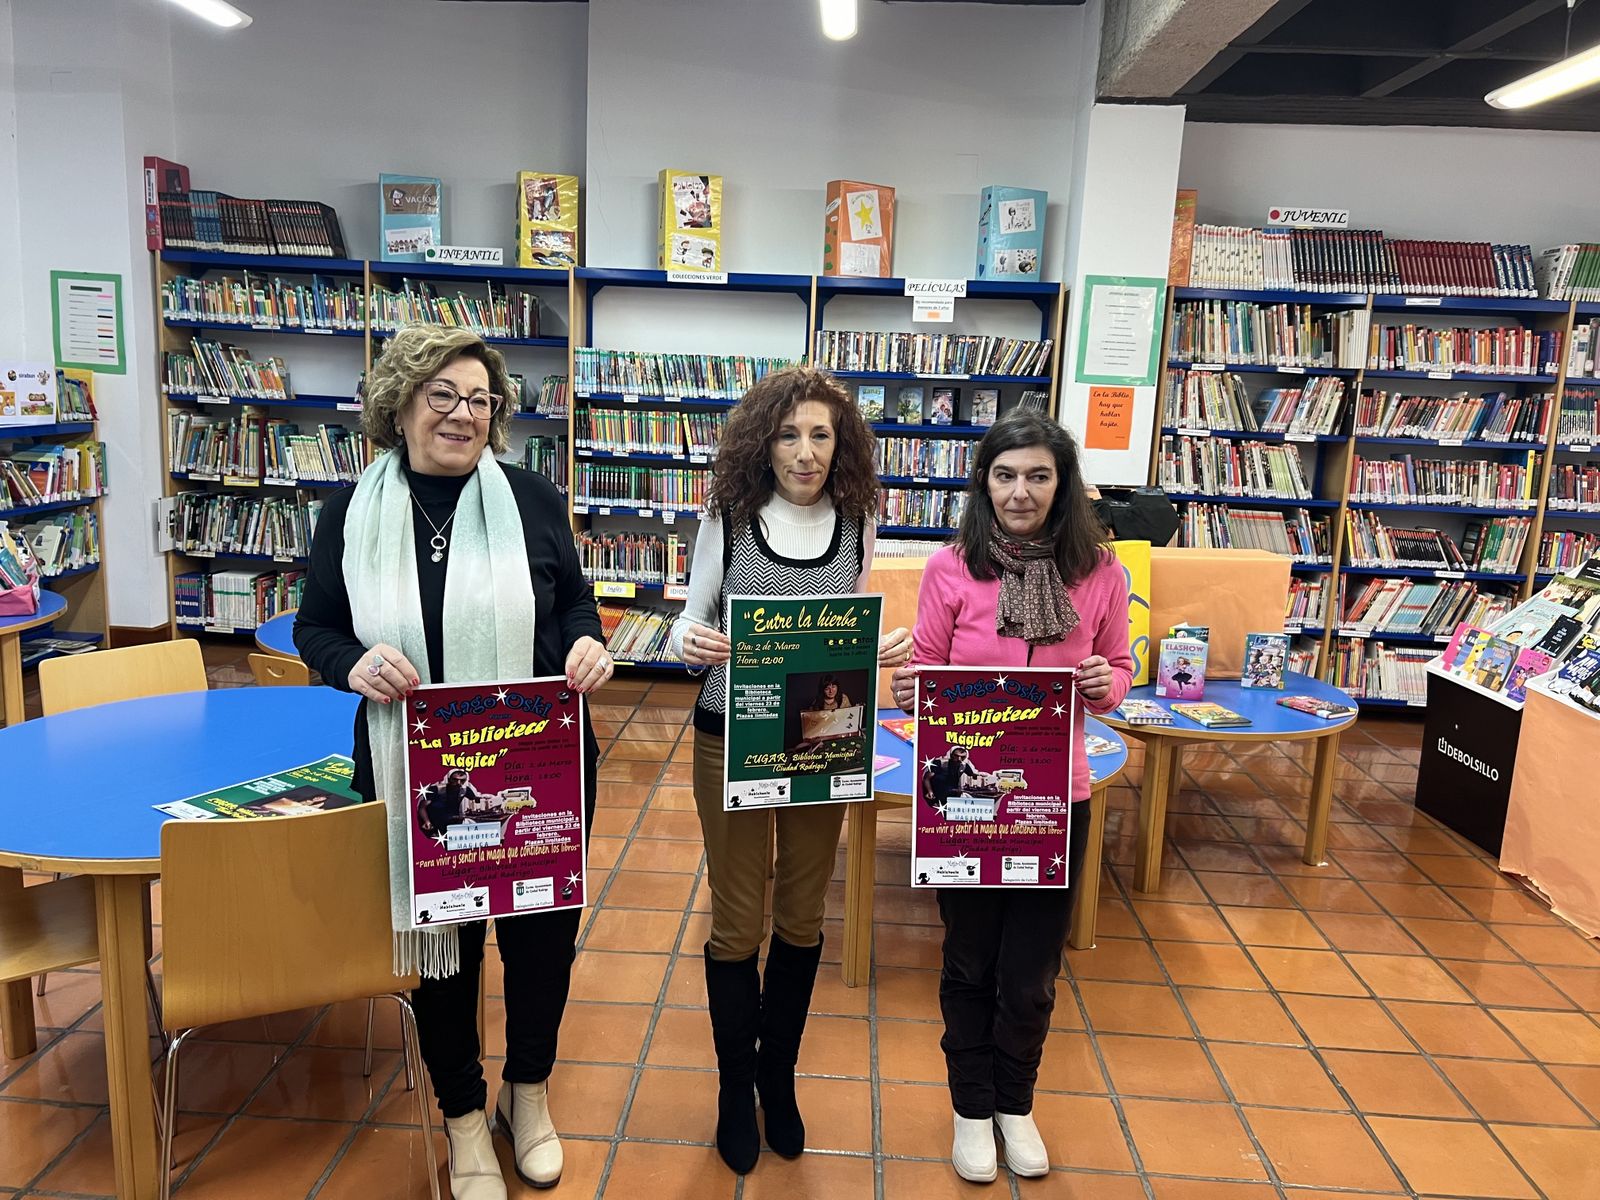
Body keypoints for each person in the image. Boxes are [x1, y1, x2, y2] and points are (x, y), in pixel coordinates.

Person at [295, 324, 613, 1200]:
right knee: (446, 950)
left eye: (479, 400)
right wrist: (349, 663)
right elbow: (313, 626)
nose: (462, 414)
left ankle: (529, 1095)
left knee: (543, 944)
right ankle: (466, 1119)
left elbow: (577, 603)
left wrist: (587, 646)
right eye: (442, 395)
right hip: (414, 775)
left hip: (537, 769)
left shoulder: (533, 499)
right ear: (399, 404)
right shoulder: (349, 513)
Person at [673, 366, 912, 1174]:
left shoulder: (859, 519)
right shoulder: (729, 516)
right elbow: (689, 621)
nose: (805, 452)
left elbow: (846, 626)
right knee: (737, 919)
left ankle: (780, 1079)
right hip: (729, 735)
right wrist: (691, 641)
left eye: (820, 435)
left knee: (804, 916)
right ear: (763, 442)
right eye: (788, 435)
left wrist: (872, 651)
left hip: (821, 737)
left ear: (840, 444)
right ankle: (734, 1087)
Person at [890, 409, 1133, 1185]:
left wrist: (1106, 683)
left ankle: (1014, 1105)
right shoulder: (951, 567)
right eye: (1004, 475)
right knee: (969, 961)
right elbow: (925, 669)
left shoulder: (1100, 572)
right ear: (983, 482)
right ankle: (969, 1109)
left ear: (1063, 486)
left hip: (1053, 800)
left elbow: (1121, 671)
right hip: (963, 801)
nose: (1020, 492)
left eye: (1037, 475)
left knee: (1030, 973)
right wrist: (909, 688)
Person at [921, 745, 983, 810]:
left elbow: (972, 774)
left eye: (962, 757)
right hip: (937, 794)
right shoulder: (940, 763)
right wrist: (930, 791)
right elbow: (926, 778)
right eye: (956, 756)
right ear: (951, 755)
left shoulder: (964, 766)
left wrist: (982, 776)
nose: (959, 759)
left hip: (951, 796)